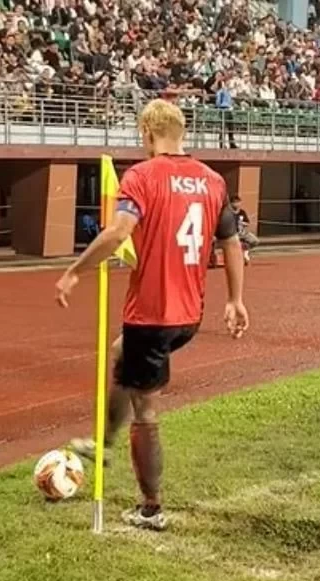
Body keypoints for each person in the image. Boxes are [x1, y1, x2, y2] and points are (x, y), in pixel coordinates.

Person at [55, 99, 249, 531]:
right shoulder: (213, 180)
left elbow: (118, 232)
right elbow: (231, 243)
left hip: (152, 311)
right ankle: (104, 443)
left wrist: (74, 271)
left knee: (145, 406)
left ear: (146, 132)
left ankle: (150, 507)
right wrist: (235, 299)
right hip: (189, 313)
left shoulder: (142, 175)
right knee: (121, 356)